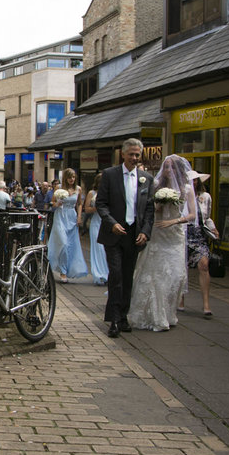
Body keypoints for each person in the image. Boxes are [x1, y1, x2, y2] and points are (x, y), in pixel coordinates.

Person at [127, 154, 196, 332]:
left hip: (174, 235)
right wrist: (158, 206)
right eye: (166, 167)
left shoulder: (187, 188)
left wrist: (174, 221)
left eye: (172, 167)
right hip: (158, 233)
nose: (168, 170)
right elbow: (148, 208)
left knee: (176, 275)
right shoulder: (157, 186)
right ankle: (155, 314)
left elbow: (192, 215)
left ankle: (169, 311)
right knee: (156, 274)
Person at [95, 138, 155, 338]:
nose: (135, 158)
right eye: (131, 154)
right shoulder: (110, 175)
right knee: (117, 274)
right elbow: (101, 204)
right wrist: (111, 223)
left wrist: (145, 232)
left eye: (137, 155)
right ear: (123, 154)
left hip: (133, 235)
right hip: (114, 234)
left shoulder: (146, 178)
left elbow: (149, 209)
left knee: (128, 277)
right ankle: (113, 320)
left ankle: (123, 316)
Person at [182, 170, 217, 317]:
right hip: (183, 233)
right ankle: (180, 300)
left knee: (204, 264)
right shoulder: (181, 195)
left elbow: (207, 216)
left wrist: (213, 228)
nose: (193, 182)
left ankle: (206, 304)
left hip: (198, 234)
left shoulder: (205, 197)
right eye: (191, 180)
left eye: (195, 180)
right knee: (181, 268)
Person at [47, 168, 89, 284]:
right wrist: (57, 203)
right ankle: (62, 271)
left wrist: (79, 216)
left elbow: (80, 203)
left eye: (73, 177)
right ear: (65, 177)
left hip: (72, 216)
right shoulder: (59, 188)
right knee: (63, 243)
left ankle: (65, 269)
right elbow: (52, 202)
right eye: (70, 177)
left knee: (71, 245)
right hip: (60, 216)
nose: (72, 179)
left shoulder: (78, 189)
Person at [84, 172, 108, 286]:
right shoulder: (91, 193)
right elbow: (87, 209)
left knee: (105, 250)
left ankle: (107, 273)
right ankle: (99, 274)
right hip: (95, 222)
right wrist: (96, 208)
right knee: (97, 248)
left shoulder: (109, 192)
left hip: (106, 222)